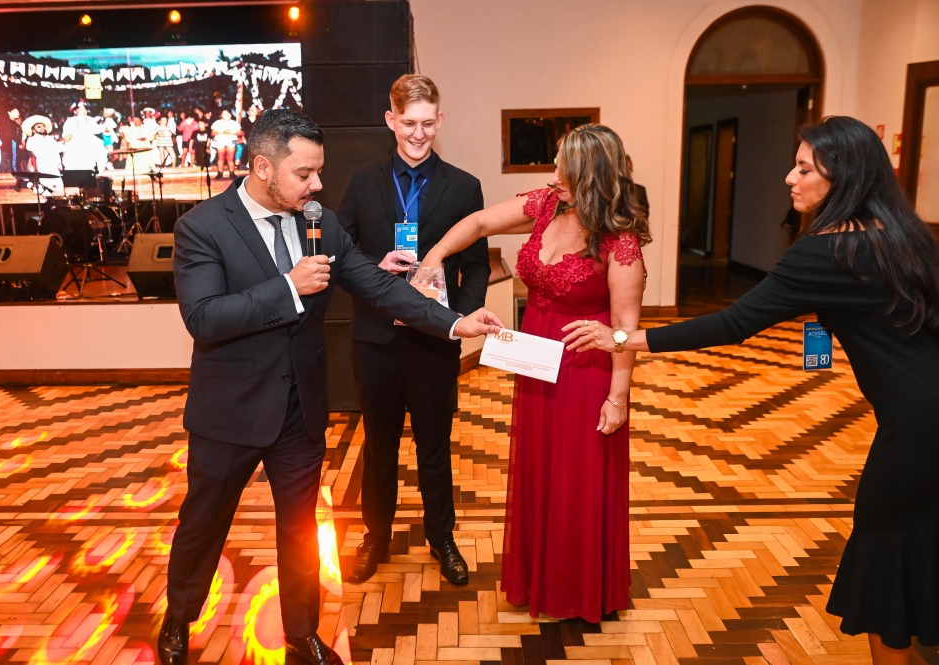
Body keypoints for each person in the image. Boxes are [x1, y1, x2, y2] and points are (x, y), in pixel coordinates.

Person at [567, 116, 939, 663]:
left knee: (885, 549)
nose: (790, 178)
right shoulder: (903, 235)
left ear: (844, 177)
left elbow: (732, 324)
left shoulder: (825, 252)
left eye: (805, 168)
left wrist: (621, 337)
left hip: (916, 424)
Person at [159, 108, 503, 665]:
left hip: (300, 409)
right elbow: (204, 318)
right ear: (263, 167)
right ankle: (178, 620)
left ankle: (302, 631)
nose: (317, 185)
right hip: (230, 412)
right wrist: (288, 287)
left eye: (318, 171)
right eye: (304, 174)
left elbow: (378, 286)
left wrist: (454, 322)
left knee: (300, 530)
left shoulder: (318, 222)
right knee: (203, 523)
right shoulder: (203, 226)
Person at [418, 124, 650, 621]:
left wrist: (618, 397)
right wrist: (435, 255)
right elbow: (479, 222)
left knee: (577, 478)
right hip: (537, 362)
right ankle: (539, 576)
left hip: (585, 368)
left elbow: (626, 329)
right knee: (540, 469)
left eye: (565, 169)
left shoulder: (621, 242)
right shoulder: (545, 205)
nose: (554, 176)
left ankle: (577, 589)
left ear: (591, 175)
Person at [337, 74, 490, 586]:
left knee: (434, 447)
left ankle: (442, 538)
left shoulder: (465, 186)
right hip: (376, 338)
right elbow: (340, 254)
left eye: (427, 123)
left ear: (440, 120)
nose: (418, 134)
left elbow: (477, 266)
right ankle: (375, 536)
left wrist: (457, 323)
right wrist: (373, 266)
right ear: (390, 120)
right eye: (408, 123)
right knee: (379, 447)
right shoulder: (362, 182)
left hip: (433, 342)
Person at [22, 115, 64, 194]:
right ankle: (30, 185)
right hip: (43, 168)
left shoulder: (50, 139)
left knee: (59, 190)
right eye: (39, 127)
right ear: (34, 130)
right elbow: (35, 150)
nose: (42, 128)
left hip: (55, 169)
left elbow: (60, 148)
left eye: (43, 126)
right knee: (46, 192)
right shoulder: (32, 140)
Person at [62, 100, 107, 172]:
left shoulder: (91, 120)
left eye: (84, 109)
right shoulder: (70, 121)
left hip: (88, 151)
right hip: (74, 151)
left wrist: (105, 127)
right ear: (75, 111)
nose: (83, 111)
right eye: (80, 109)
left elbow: (97, 130)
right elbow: (66, 137)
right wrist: (69, 137)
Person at [210, 108, 240, 179]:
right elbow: (212, 133)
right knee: (220, 157)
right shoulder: (217, 123)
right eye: (224, 114)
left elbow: (239, 133)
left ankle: (232, 173)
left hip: (231, 141)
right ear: (221, 115)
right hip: (220, 141)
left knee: (230, 158)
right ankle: (220, 173)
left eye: (227, 114)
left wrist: (231, 132)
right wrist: (221, 131)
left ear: (230, 115)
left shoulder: (234, 123)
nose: (226, 115)